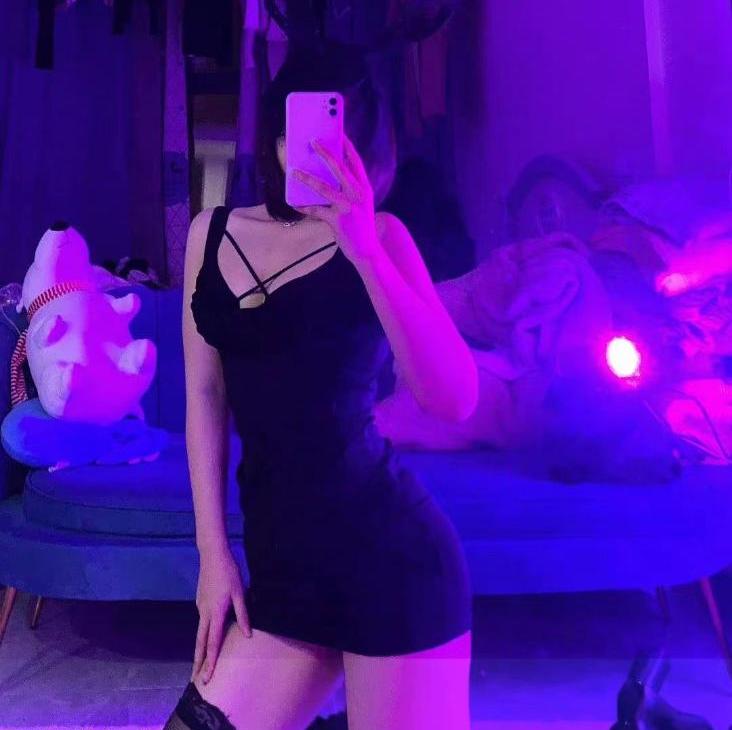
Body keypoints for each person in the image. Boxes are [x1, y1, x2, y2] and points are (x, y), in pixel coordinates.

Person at [163, 42, 478, 730]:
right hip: (281, 577)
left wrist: (363, 249)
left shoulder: (384, 239)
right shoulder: (209, 233)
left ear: (367, 152)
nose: (310, 156)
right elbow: (205, 397)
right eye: (295, 135)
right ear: (275, 138)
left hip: (392, 564)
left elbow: (455, 399)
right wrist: (213, 555)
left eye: (337, 140)